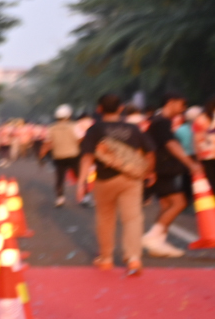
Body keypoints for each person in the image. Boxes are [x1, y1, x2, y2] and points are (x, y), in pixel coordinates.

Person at [78, 92, 156, 275]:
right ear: (121, 108)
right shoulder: (133, 128)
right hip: (131, 179)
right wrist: (149, 171)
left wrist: (82, 183)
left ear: (99, 109)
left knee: (105, 218)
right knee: (132, 218)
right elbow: (150, 151)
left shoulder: (95, 129)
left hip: (105, 179)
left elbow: (87, 157)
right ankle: (134, 258)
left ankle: (106, 258)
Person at [143, 93, 194, 258]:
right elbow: (171, 144)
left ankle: (159, 241)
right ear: (171, 102)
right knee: (180, 202)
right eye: (182, 104)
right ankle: (152, 237)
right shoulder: (162, 122)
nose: (183, 109)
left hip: (156, 169)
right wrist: (191, 164)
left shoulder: (157, 120)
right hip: (161, 170)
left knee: (166, 205)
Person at [44, 105, 82, 206]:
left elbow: (48, 142)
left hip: (58, 156)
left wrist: (42, 154)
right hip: (73, 155)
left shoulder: (51, 128)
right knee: (80, 176)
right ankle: (85, 197)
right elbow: (80, 139)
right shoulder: (74, 126)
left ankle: (60, 198)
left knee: (59, 178)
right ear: (68, 115)